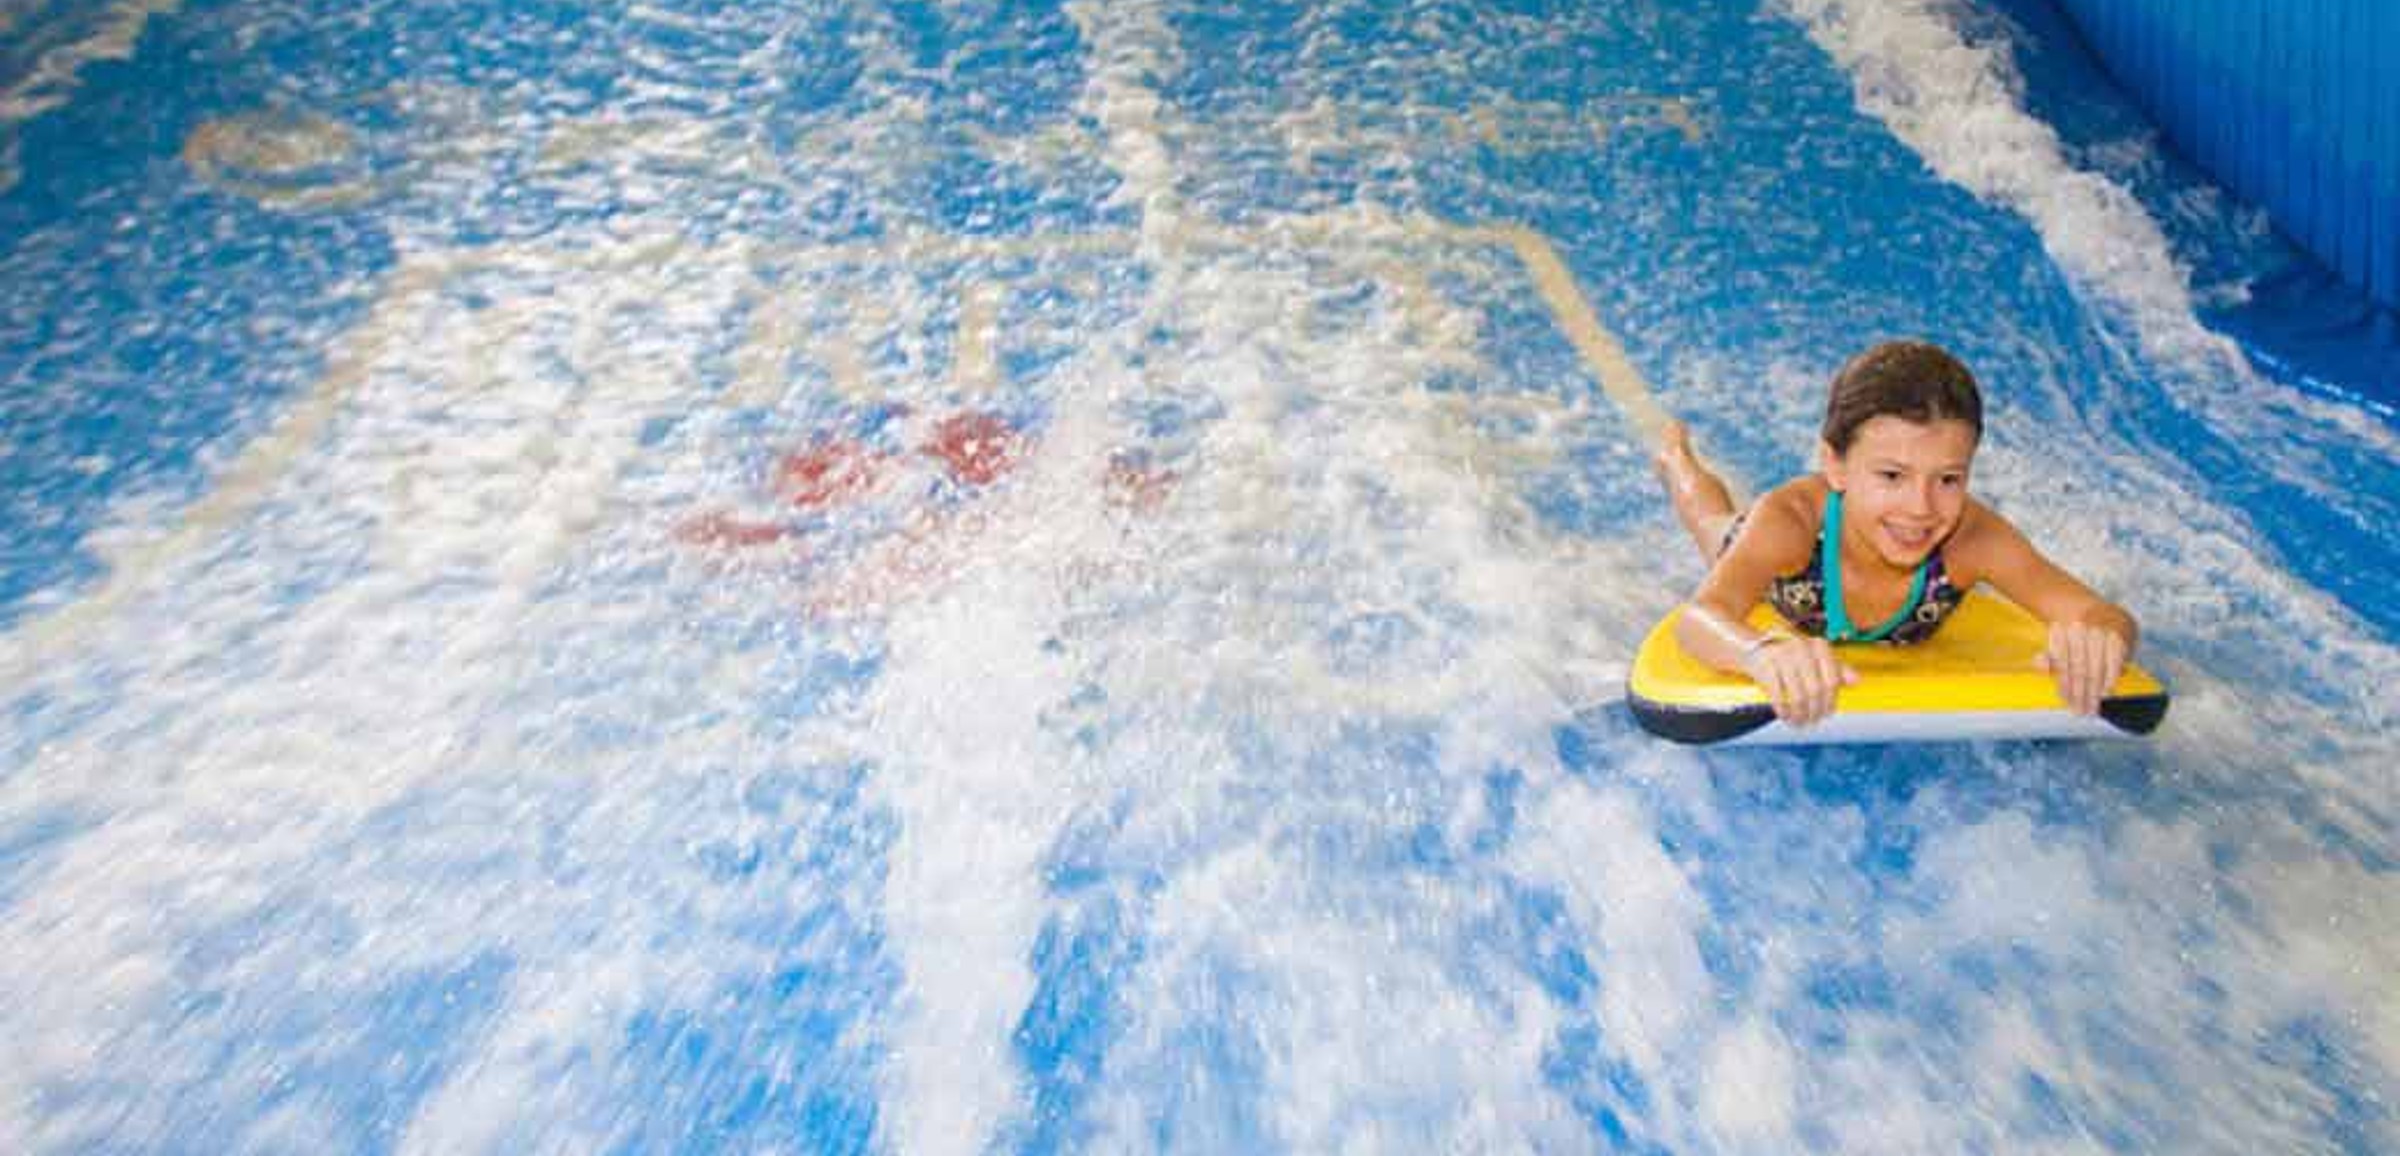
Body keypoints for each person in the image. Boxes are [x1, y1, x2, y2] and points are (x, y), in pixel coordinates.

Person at [1652, 339, 2138, 727]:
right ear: (1834, 465)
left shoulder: (1971, 539)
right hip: (1766, 563)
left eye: (1948, 479)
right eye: (1891, 476)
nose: (1921, 508)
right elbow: (1698, 619)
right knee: (1711, 524)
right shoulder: (1793, 522)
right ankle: (1676, 459)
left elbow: (2102, 613)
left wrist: (2100, 640)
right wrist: (1759, 653)